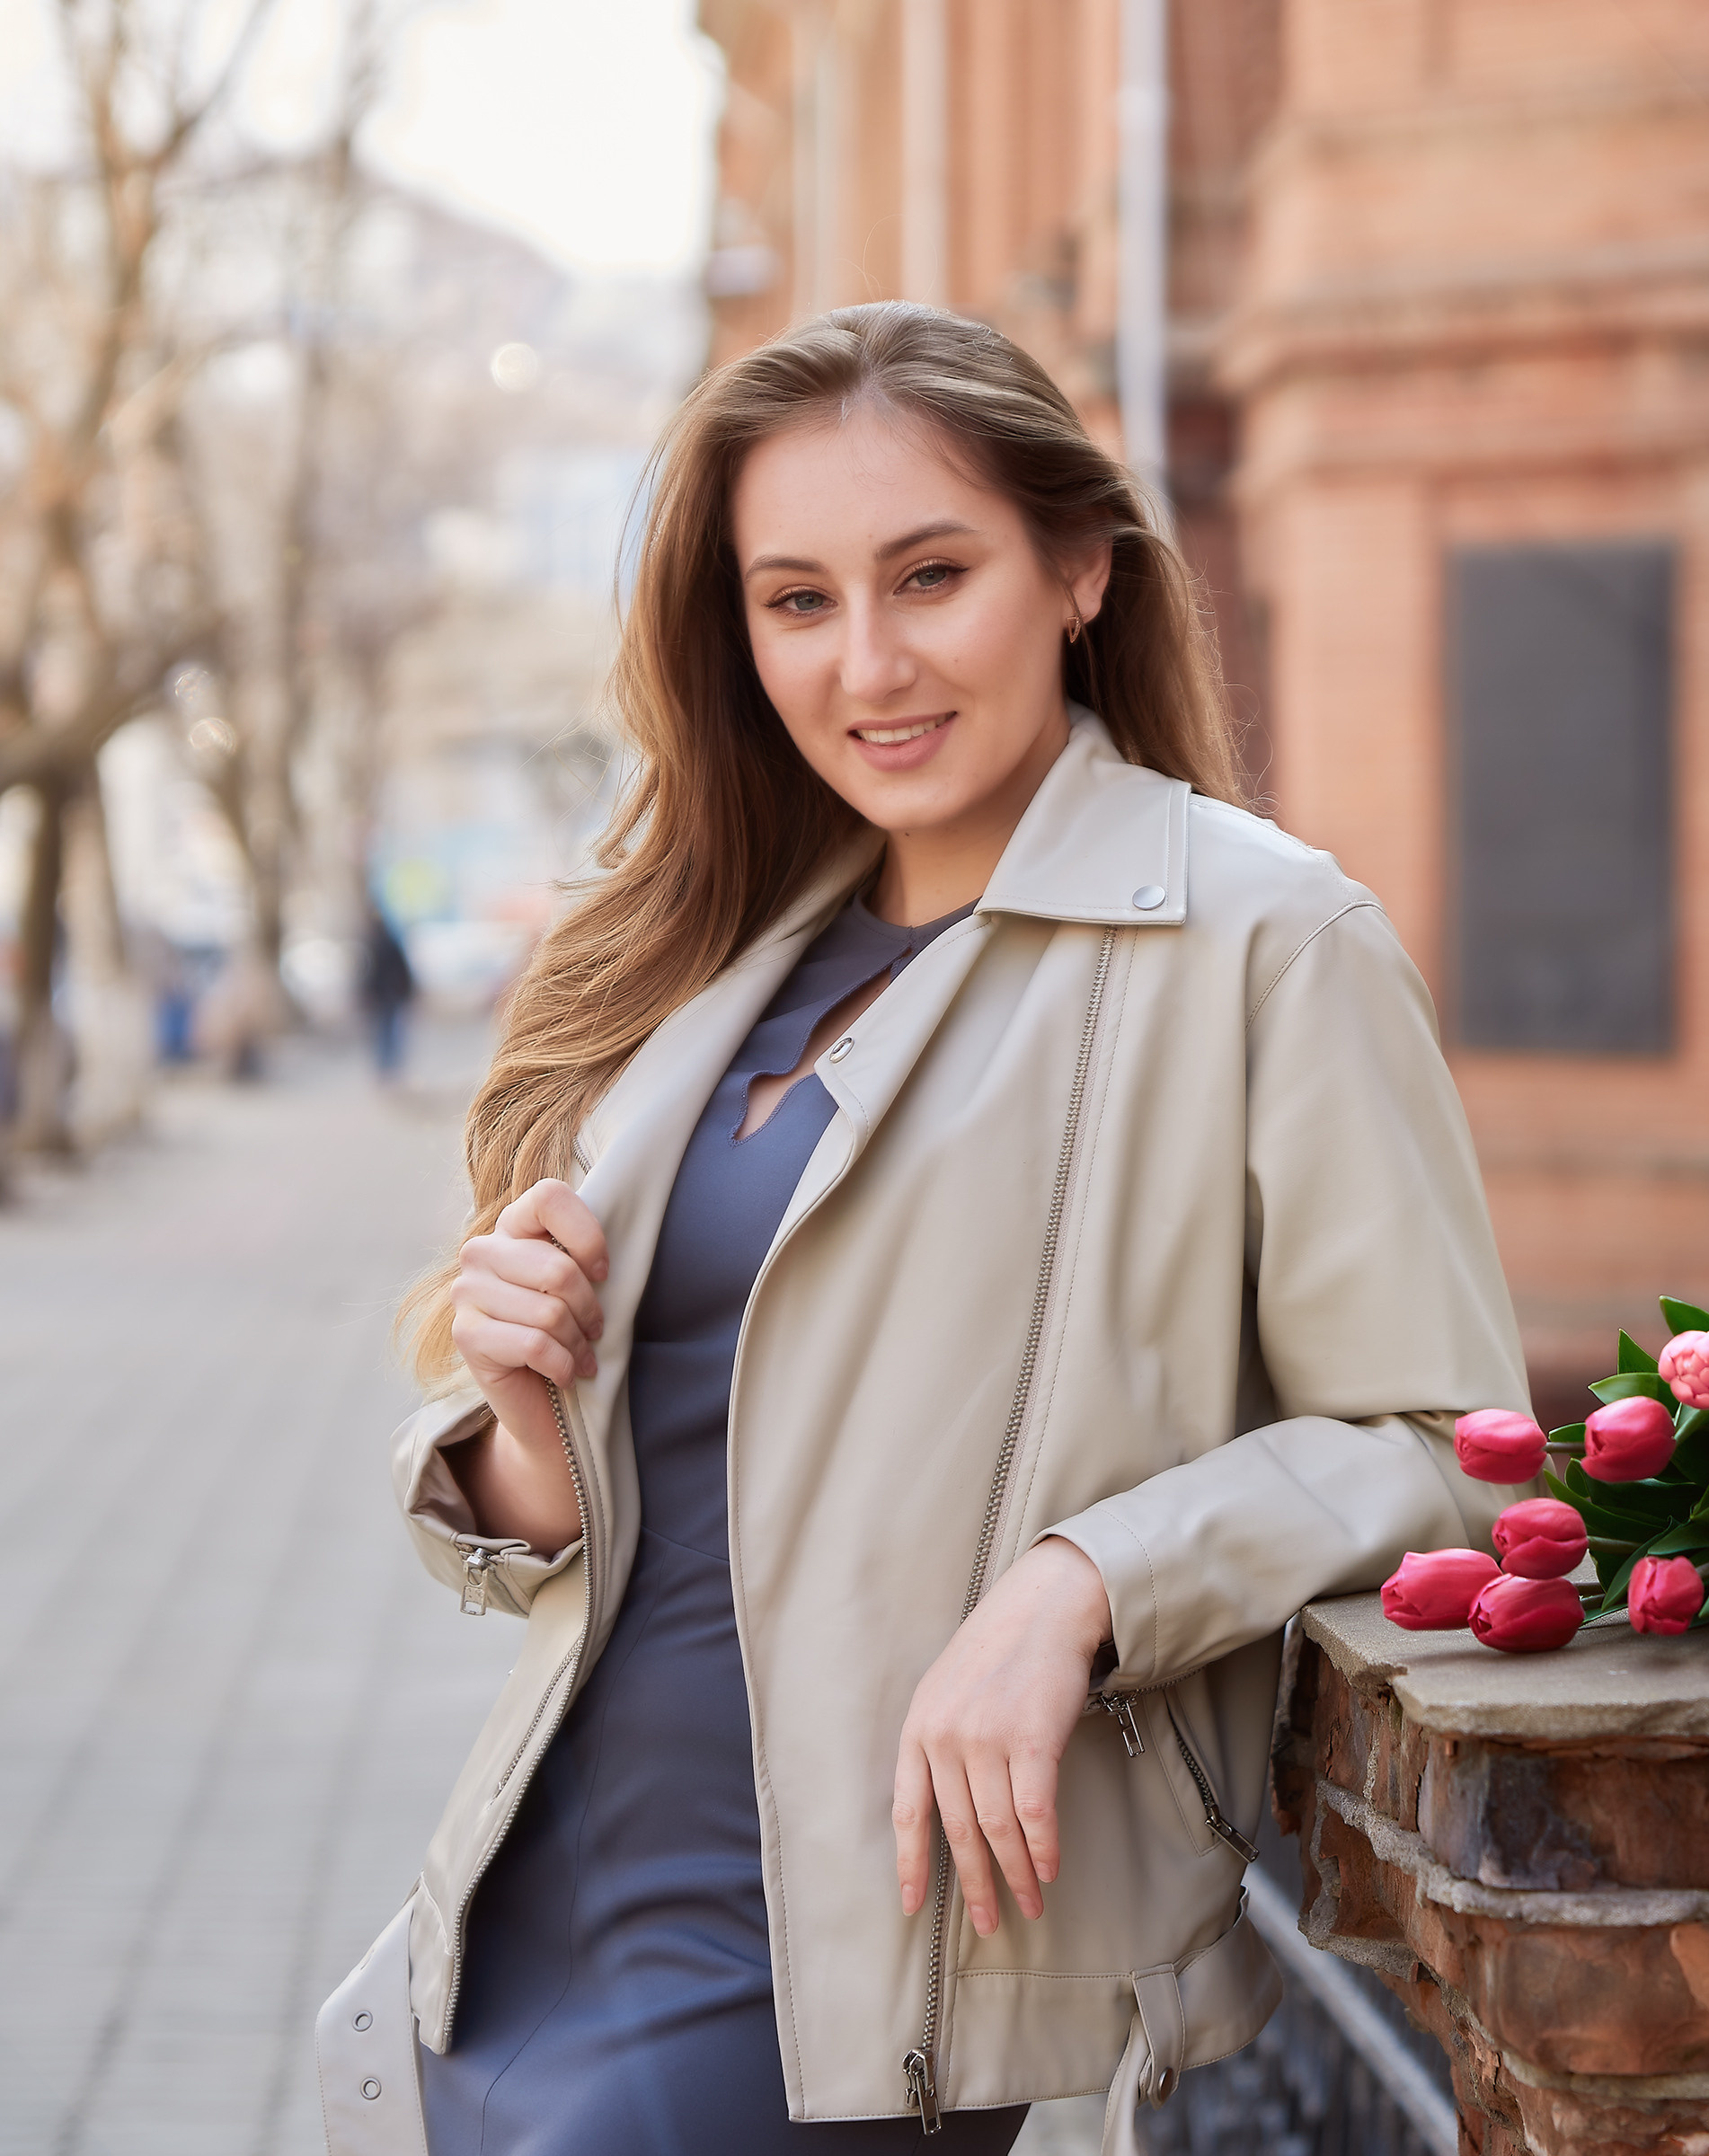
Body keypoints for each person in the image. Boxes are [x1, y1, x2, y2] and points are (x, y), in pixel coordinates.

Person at [316, 304, 1531, 2156]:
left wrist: (1085, 1581)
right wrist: (525, 1403)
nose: (866, 663)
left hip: (858, 1947)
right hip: (534, 1894)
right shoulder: (721, 956)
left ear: (1078, 574)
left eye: (929, 576)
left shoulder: (1264, 943)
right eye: (796, 600)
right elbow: (600, 1525)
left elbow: (1458, 1456)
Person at [360, 905, 418, 1082]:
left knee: (386, 1032)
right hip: (387, 995)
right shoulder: (380, 944)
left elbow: (399, 969)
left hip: (387, 995)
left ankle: (388, 1068)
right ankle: (388, 1068)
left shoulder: (375, 945)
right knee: (387, 1032)